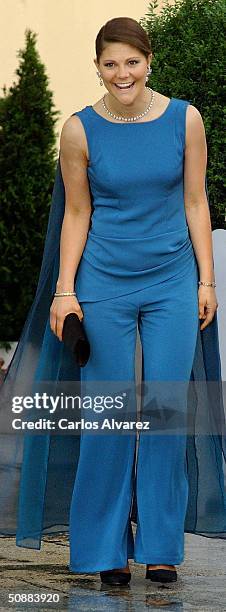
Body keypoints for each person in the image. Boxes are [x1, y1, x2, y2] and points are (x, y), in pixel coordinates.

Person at [0, 16, 225, 588]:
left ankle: (160, 548)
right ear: (97, 67)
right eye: (110, 63)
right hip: (103, 281)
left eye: (132, 61)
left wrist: (206, 280)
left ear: (149, 61)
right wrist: (65, 290)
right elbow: (78, 213)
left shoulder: (185, 119)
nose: (122, 73)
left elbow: (196, 202)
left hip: (174, 278)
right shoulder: (79, 130)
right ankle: (103, 549)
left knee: (166, 412)